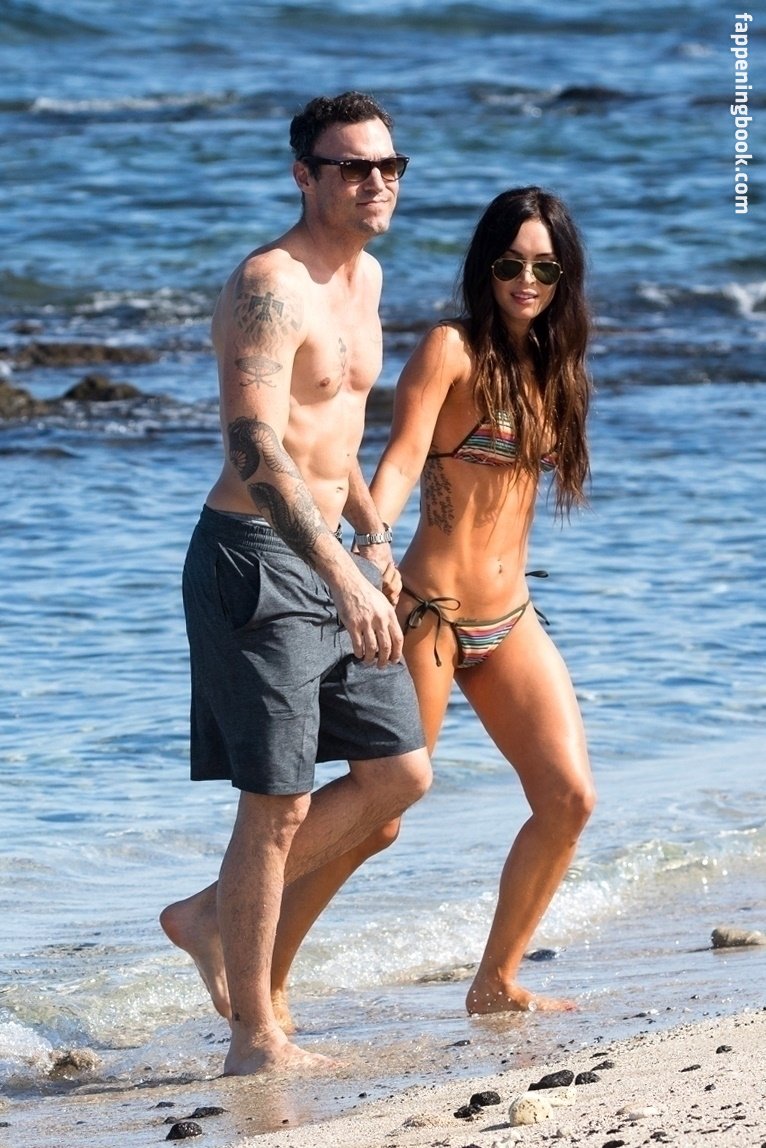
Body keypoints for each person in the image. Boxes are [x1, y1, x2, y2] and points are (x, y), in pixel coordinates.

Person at [265, 186, 596, 1018]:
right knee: (378, 817)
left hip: (511, 619)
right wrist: (371, 549)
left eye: (545, 268)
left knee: (568, 800)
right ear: (485, 266)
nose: (527, 281)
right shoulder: (451, 348)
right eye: (511, 264)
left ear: (565, 276)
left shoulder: (556, 362)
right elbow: (404, 456)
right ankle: (261, 976)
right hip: (431, 617)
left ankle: (496, 982)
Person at [159, 91, 431, 1076]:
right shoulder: (269, 282)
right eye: (353, 167)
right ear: (304, 176)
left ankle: (207, 915)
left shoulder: (367, 277)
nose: (375, 182)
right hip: (254, 558)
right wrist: (340, 574)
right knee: (274, 803)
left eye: (389, 166)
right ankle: (255, 1040)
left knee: (399, 775)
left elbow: (333, 427)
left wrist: (371, 534)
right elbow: (257, 444)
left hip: (330, 553)